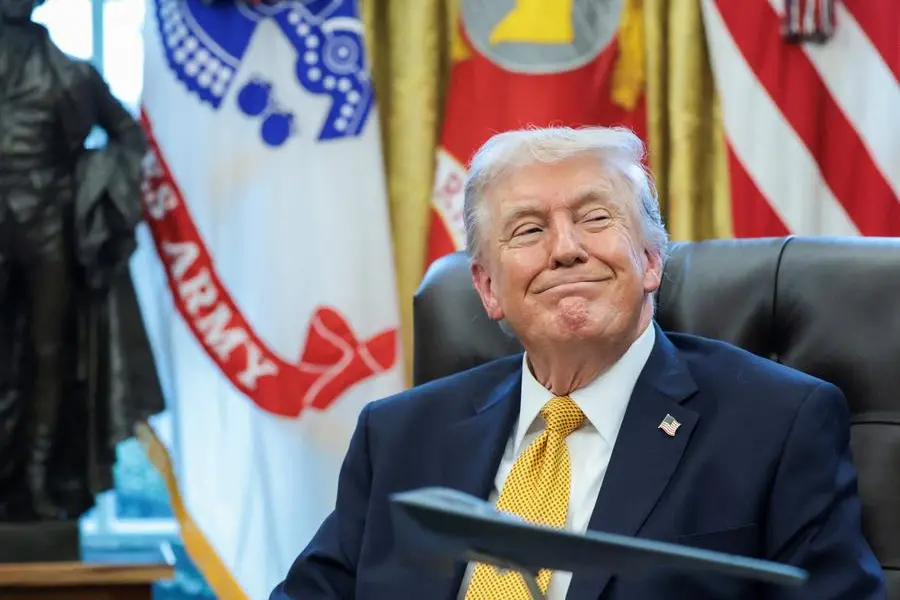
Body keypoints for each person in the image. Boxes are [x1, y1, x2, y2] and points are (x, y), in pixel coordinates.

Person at [270, 127, 885, 599]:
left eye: (594, 218)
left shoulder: (776, 421)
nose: (565, 250)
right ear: (486, 287)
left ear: (650, 260)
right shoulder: (400, 434)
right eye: (529, 230)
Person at [0, 0, 163, 522]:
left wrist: (92, 186)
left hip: (51, 229)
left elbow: (128, 136)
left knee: (48, 358)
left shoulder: (72, 73)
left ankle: (37, 481)